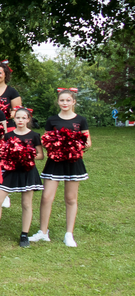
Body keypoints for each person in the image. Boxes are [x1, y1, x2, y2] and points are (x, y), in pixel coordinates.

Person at [36, 90, 91, 247]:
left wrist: (73, 145)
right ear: (58, 102)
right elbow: (46, 140)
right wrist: (56, 146)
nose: (65, 103)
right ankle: (43, 232)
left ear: (74, 102)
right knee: (46, 197)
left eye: (68, 100)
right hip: (55, 162)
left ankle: (69, 234)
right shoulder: (52, 120)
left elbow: (87, 142)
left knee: (71, 198)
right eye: (62, 100)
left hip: (73, 163)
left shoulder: (81, 120)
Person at [0, 108, 44, 248]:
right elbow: (3, 153)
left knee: (26, 203)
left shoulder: (34, 135)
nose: (20, 120)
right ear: (14, 119)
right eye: (18, 118)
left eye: (23, 118)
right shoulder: (8, 135)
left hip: (27, 171)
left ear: (28, 119)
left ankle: (24, 234)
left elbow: (41, 155)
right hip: (11, 171)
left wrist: (26, 157)